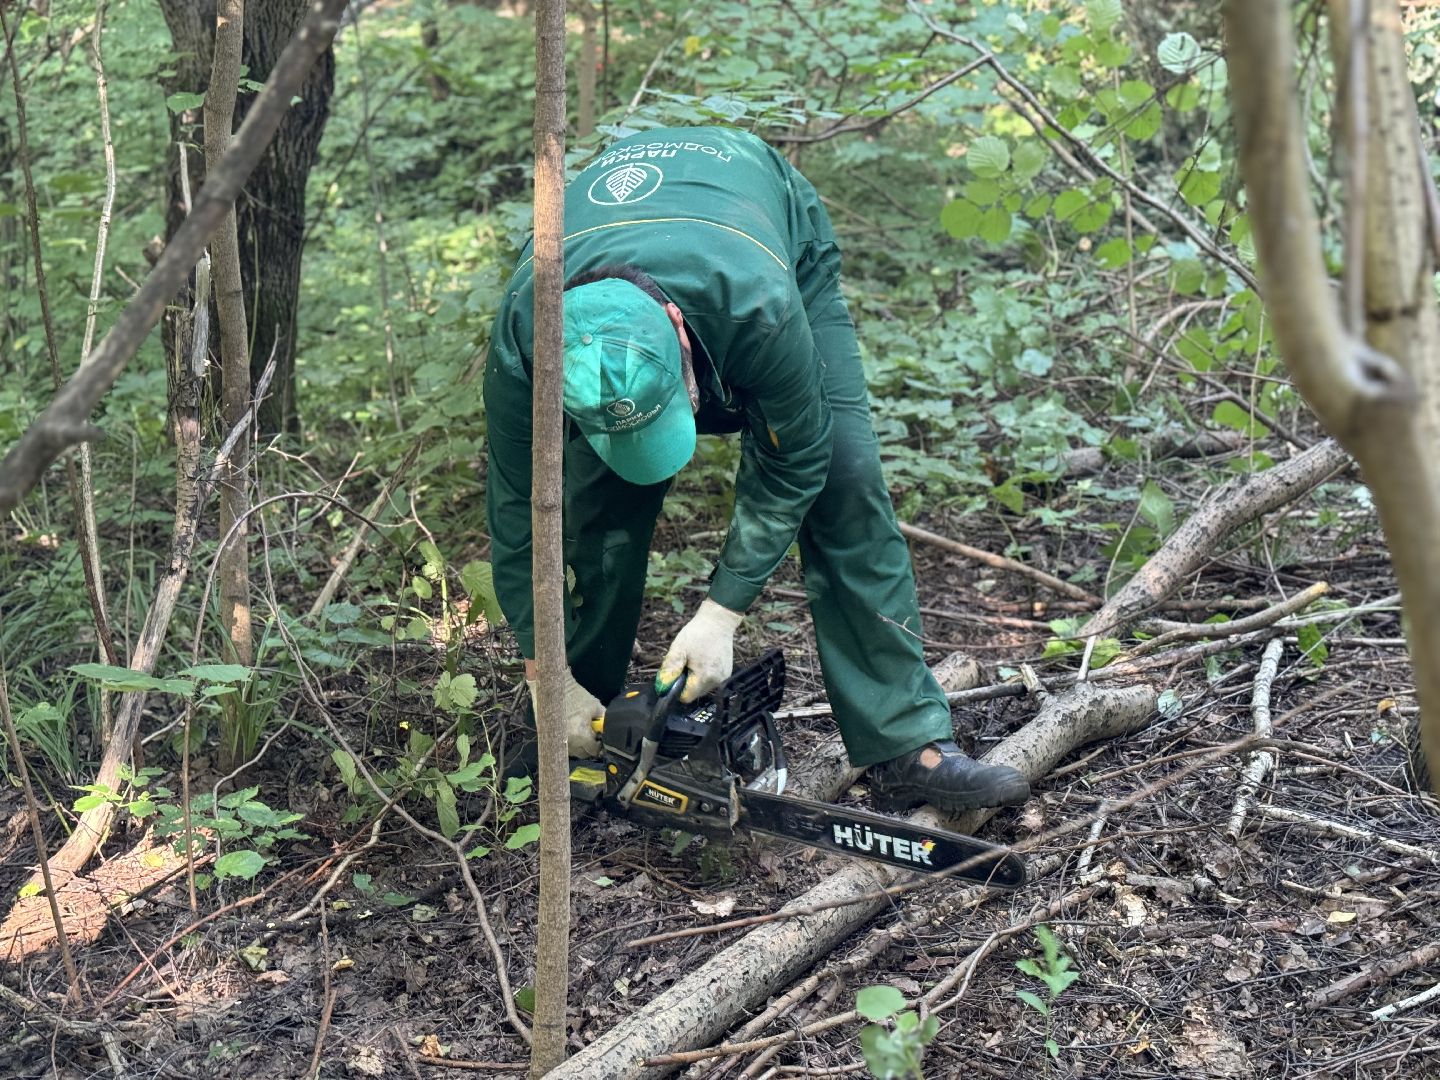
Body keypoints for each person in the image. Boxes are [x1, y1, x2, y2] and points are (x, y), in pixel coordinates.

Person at [483, 125, 1029, 813]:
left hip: (761, 233)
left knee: (844, 476)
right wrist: (545, 677)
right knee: (593, 503)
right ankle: (586, 731)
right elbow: (517, 511)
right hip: (637, 243)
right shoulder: (525, 336)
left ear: (679, 329)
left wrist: (721, 614)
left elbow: (796, 455)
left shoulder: (758, 305)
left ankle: (906, 739)